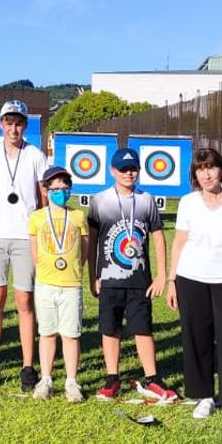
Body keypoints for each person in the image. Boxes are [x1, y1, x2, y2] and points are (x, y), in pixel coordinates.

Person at [166, 147, 222, 427]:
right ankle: (204, 396)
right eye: (200, 169)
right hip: (191, 278)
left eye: (211, 167)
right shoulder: (187, 203)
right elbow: (179, 243)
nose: (206, 174)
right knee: (197, 340)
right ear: (195, 174)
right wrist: (171, 281)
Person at [87, 147, 178, 402]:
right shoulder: (100, 201)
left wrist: (161, 275)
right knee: (110, 328)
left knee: (143, 328)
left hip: (140, 281)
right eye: (123, 169)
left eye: (133, 169)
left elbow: (158, 237)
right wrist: (92, 276)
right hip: (109, 279)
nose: (129, 173)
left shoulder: (146, 199)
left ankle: (151, 379)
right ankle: (112, 378)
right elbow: (93, 241)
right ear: (112, 171)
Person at [0, 100, 48, 390]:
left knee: (24, 301)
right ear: (1, 124)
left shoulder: (35, 155)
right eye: (9, 122)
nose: (13, 128)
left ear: (25, 126)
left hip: (24, 237)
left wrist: (34, 229)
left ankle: (27, 366)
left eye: (18, 123)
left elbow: (42, 198)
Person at [27, 167, 89, 402]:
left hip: (71, 284)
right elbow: (34, 251)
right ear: (46, 190)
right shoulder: (37, 217)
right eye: (55, 189)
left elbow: (84, 248)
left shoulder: (78, 216)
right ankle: (46, 379)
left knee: (71, 334)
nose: (60, 193)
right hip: (45, 283)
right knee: (47, 332)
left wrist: (73, 267)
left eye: (65, 189)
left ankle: (71, 381)